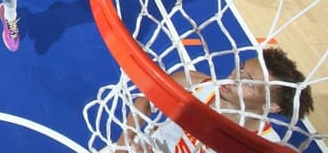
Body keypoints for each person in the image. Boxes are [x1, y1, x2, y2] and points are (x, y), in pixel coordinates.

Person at [118, 47, 314, 150]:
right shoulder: (196, 83)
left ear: (272, 106)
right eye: (242, 68)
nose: (234, 76)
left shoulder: (262, 146)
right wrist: (124, 145)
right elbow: (145, 101)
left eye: (248, 82)